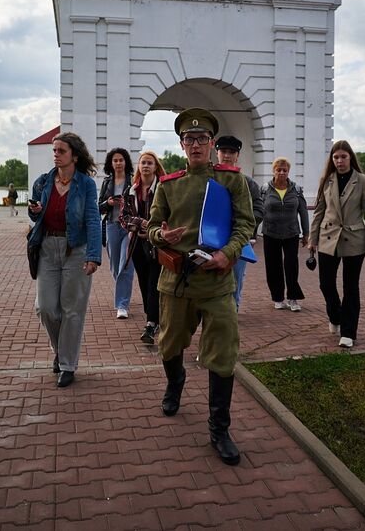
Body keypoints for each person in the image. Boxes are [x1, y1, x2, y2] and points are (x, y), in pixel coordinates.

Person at [147, 108, 255, 466]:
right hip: (177, 282)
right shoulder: (169, 184)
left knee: (224, 354)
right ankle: (175, 382)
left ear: (211, 144)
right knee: (170, 344)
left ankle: (219, 428)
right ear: (181, 144)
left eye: (202, 139)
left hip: (218, 282)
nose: (195, 144)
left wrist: (228, 253)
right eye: (189, 139)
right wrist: (162, 235)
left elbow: (245, 225)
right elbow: (151, 228)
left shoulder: (231, 181)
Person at [27, 132, 101, 388]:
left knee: (72, 310)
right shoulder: (43, 181)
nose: (56, 155)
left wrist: (94, 255)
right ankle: (61, 348)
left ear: (74, 155)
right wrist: (35, 211)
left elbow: (93, 219)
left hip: (75, 249)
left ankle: (67, 363)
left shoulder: (85, 184)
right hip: (47, 246)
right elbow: (36, 215)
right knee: (45, 307)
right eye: (54, 150)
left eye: (61, 151)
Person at [308, 141, 365, 349]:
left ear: (350, 158)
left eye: (343, 157)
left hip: (354, 239)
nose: (339, 161)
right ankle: (335, 315)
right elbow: (319, 211)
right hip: (327, 238)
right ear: (332, 159)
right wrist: (312, 238)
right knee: (326, 284)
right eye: (336, 157)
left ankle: (348, 332)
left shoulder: (362, 181)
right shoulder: (327, 180)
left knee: (351, 287)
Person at [119, 151, 166, 345]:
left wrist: (153, 230)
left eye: (150, 163)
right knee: (144, 281)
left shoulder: (164, 188)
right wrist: (141, 224)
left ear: (156, 167)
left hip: (157, 244)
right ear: (139, 166)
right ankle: (153, 318)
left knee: (154, 283)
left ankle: (151, 323)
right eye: (143, 163)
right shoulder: (131, 190)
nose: (146, 166)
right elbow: (123, 217)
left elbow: (168, 215)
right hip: (137, 244)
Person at [213, 135, 263, 311]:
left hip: (238, 239)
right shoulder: (209, 179)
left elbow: (259, 208)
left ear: (237, 156)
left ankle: (232, 311)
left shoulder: (248, 183)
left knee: (235, 277)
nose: (227, 156)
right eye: (223, 151)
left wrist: (244, 224)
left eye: (231, 152)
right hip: (212, 238)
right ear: (216, 152)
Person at [260, 157, 309, 312]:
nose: (281, 172)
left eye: (284, 170)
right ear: (273, 171)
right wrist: (252, 234)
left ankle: (293, 298)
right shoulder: (264, 190)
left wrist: (306, 233)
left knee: (291, 265)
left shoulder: (296, 189)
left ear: (288, 172)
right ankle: (278, 298)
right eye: (278, 170)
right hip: (270, 233)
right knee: (273, 267)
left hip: (291, 233)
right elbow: (258, 211)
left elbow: (303, 212)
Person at [99, 148, 136, 319]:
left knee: (126, 264)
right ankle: (123, 290)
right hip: (112, 226)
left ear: (126, 162)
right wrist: (109, 202)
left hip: (129, 228)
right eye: (115, 160)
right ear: (111, 163)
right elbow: (99, 206)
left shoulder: (134, 181)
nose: (118, 163)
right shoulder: (107, 182)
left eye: (121, 160)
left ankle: (122, 305)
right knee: (115, 266)